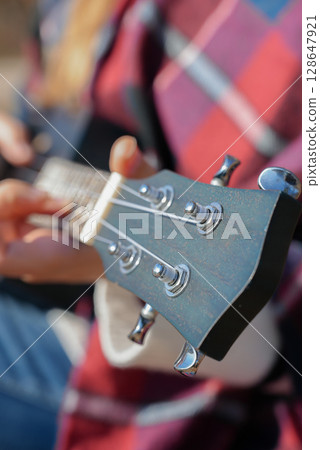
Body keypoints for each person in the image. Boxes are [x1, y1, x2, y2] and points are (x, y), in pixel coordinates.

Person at [0, 0, 302, 448]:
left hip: (173, 392)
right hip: (65, 295)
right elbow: (41, 124)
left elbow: (278, 322)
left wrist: (104, 264)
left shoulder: (283, 23)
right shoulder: (64, 10)